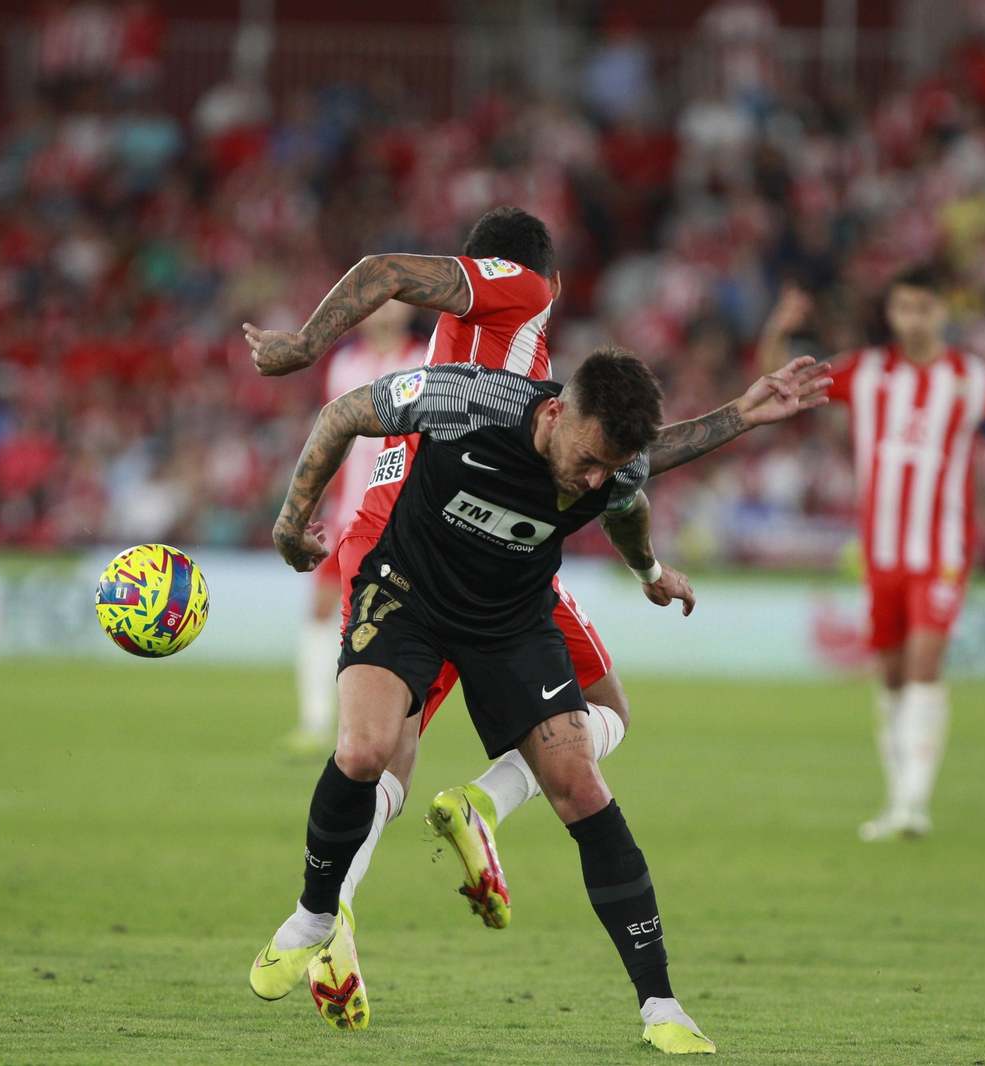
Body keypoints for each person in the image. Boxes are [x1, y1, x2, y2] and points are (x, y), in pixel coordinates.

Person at [245, 206, 826, 1030]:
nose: (595, 476)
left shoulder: (577, 421)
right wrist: (303, 348)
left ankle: (646, 995)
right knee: (385, 748)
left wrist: (710, 461)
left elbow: (634, 473)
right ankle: (332, 908)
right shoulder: (514, 298)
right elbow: (383, 276)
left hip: (495, 568)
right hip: (418, 540)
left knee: (409, 760)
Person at [250, 350, 716, 1053]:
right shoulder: (465, 398)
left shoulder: (615, 466)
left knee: (582, 787)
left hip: (510, 619)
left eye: (607, 467)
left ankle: (662, 1005)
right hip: (407, 591)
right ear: (556, 411)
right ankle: (314, 917)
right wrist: (292, 521)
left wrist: (649, 569)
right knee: (365, 750)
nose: (594, 477)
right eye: (588, 458)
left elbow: (628, 505)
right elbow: (343, 411)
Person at [758, 267, 985, 841]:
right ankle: (897, 800)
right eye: (904, 307)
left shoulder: (971, 380)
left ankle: (914, 803)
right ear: (891, 313)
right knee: (889, 675)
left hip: (942, 549)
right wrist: (779, 329)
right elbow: (776, 384)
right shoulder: (864, 371)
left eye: (924, 308)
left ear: (943, 312)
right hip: (881, 553)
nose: (913, 318)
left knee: (924, 663)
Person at [292, 300, 426, 754]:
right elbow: (335, 445)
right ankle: (314, 724)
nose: (385, 314)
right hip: (348, 515)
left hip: (403, 520)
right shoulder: (345, 364)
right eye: (377, 305)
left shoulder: (425, 360)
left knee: (388, 626)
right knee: (324, 612)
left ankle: (377, 729)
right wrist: (320, 505)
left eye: (395, 304)